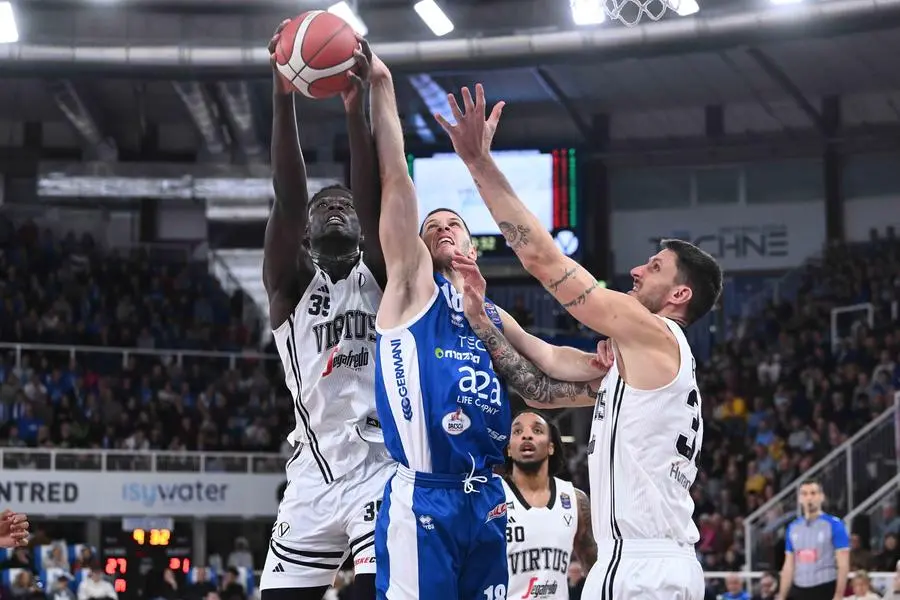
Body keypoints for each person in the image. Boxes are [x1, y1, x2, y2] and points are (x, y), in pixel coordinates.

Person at [438, 83, 724, 599]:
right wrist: (479, 311)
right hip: (631, 565)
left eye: (654, 267)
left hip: (645, 568)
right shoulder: (637, 366)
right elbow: (542, 381)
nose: (637, 270)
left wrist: (478, 163)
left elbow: (545, 262)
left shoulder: (656, 334)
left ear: (680, 293)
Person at [365, 53, 609, 600]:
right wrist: (382, 89)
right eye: (432, 227)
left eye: (453, 222)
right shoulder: (410, 291)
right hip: (425, 495)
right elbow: (396, 182)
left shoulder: (491, 315)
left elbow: (547, 359)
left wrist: (604, 366)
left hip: (486, 497)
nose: (443, 227)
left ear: (473, 244)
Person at [259, 22, 392, 600]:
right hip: (312, 472)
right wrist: (283, 94)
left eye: (344, 207)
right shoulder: (289, 287)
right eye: (323, 208)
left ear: (363, 229)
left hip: (382, 467)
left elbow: (375, 195)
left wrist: (354, 110)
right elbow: (288, 198)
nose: (334, 210)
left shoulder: (385, 277)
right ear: (306, 234)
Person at [503, 410, 597, 600]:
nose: (527, 435)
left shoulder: (574, 500)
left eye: (537, 430)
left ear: (551, 447)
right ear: (509, 449)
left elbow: (596, 570)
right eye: (517, 431)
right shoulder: (492, 497)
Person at [778, 479, 849, 600]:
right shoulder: (793, 527)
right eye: (804, 494)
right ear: (800, 498)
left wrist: (838, 595)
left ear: (821, 497)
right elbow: (788, 565)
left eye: (813, 493)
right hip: (799, 588)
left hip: (825, 587)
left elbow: (843, 564)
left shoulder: (835, 525)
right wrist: (781, 596)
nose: (809, 498)